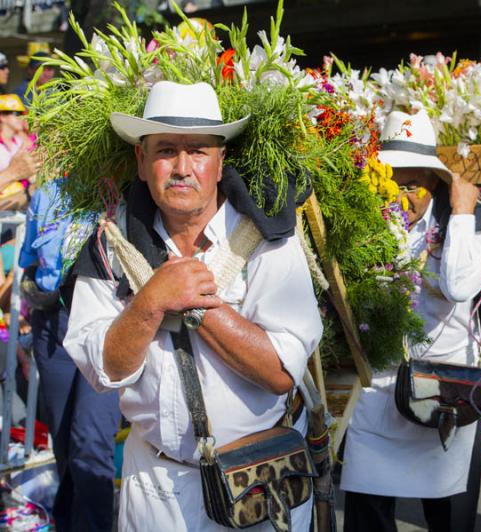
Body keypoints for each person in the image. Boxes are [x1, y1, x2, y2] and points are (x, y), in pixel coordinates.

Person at [63, 81, 323, 530]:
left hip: (258, 483)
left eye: (198, 151)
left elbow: (281, 372)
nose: (182, 167)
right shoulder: (112, 245)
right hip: (154, 490)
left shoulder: (266, 241)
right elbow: (102, 371)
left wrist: (195, 304)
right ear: (141, 163)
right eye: (165, 150)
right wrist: (149, 303)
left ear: (220, 163)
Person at [340, 109, 481, 531]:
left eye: (413, 184)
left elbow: (457, 286)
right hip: (378, 390)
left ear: (436, 182)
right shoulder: (368, 219)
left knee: (447, 515)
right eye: (392, 181)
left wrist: (463, 210)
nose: (400, 195)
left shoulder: (470, 225)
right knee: (367, 510)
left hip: (444, 390)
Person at [19, 179, 119, 532]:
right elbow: (30, 262)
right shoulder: (48, 193)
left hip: (106, 323)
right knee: (64, 444)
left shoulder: (120, 191)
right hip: (54, 326)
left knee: (89, 443)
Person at [0, 93, 37, 211]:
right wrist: (13, 172)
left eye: (23, 114)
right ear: (2, 116)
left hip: (20, 203)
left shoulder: (19, 141)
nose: (22, 118)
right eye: (17, 114)